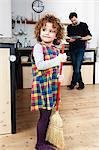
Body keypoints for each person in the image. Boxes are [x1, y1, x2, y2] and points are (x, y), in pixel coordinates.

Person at [31, 14, 67, 150]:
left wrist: (59, 76)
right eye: (44, 30)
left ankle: (45, 139)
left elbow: (55, 68)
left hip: (51, 86)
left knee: (48, 114)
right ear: (39, 31)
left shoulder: (55, 49)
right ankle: (39, 144)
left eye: (52, 31)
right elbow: (40, 65)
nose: (47, 33)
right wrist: (58, 60)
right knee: (44, 116)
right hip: (42, 86)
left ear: (57, 35)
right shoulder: (38, 47)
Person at [66, 12, 92, 90]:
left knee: (77, 68)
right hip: (72, 49)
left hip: (80, 49)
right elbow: (68, 38)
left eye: (74, 20)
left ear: (76, 17)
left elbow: (89, 36)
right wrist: (69, 40)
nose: (73, 22)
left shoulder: (83, 25)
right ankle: (81, 84)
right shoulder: (69, 27)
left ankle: (72, 84)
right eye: (72, 21)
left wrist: (80, 38)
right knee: (76, 68)